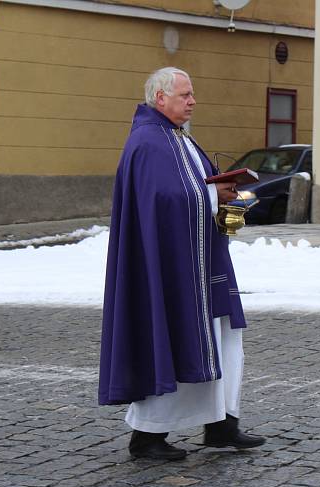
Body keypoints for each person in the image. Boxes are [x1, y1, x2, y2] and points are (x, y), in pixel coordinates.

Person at [98, 67, 265, 460]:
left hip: (204, 262)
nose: (192, 101)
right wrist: (213, 196)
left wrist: (225, 194)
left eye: (192, 94)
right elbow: (165, 201)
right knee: (171, 341)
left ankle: (222, 424)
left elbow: (192, 188)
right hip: (172, 269)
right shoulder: (148, 142)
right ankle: (148, 436)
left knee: (225, 343)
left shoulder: (177, 138)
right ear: (160, 97)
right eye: (185, 94)